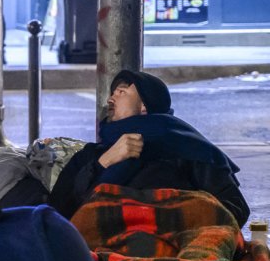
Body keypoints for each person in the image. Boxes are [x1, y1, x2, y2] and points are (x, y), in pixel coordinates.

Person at [48, 69, 250, 225]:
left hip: (175, 247)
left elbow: (235, 208)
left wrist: (173, 213)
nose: (111, 98)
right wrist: (105, 162)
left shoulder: (186, 148)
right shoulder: (93, 155)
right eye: (112, 93)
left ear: (144, 105)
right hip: (108, 251)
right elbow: (57, 212)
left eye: (121, 92)